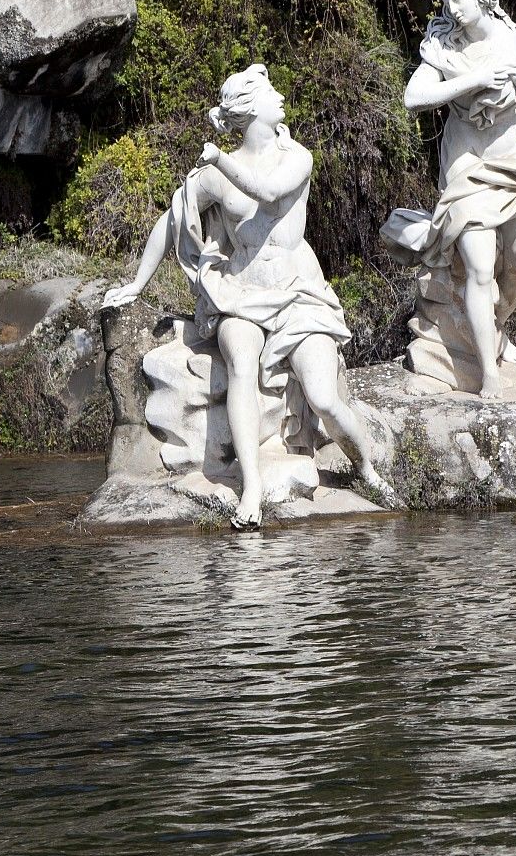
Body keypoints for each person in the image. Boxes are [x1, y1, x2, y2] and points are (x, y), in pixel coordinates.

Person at [105, 64, 399, 528]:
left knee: (323, 396)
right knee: (241, 359)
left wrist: (219, 161)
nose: (281, 97)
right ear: (248, 108)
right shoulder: (215, 176)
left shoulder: (294, 156)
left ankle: (365, 466)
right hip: (240, 293)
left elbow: (268, 191)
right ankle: (253, 486)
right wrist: (137, 283)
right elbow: (172, 219)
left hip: (299, 295)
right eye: (270, 92)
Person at [397, 0, 516, 397]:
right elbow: (413, 97)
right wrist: (472, 79)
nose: (450, 9)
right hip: (468, 165)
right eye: (445, 1)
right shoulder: (442, 46)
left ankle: (497, 331)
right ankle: (488, 372)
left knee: (515, 268)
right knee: (479, 268)